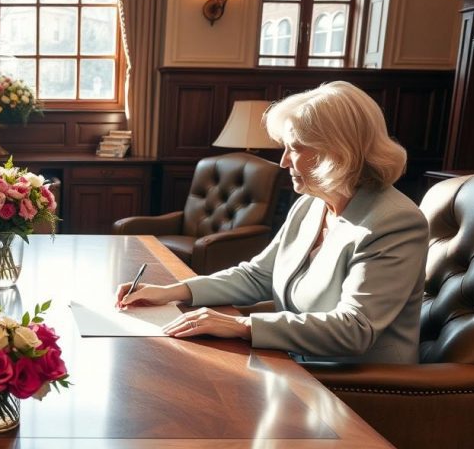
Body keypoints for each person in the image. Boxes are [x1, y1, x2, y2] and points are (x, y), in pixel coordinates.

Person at [117, 81, 428, 364]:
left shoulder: (394, 222)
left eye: (295, 148)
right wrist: (173, 291)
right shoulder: (311, 204)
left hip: (362, 388)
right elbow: (257, 276)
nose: (283, 161)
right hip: (297, 364)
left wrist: (242, 325)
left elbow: (354, 329)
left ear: (337, 152)